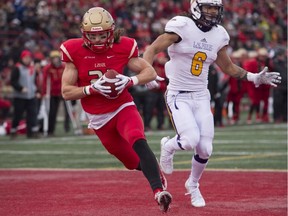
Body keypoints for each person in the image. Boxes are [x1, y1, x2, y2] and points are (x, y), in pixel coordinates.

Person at [143, 0, 281, 208]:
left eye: (215, 8)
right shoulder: (181, 26)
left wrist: (254, 78)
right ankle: (168, 145)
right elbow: (152, 49)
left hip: (200, 96)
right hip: (179, 94)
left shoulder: (219, 34)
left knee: (205, 148)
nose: (212, 12)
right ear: (196, 7)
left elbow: (228, 66)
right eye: (208, 7)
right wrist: (148, 72)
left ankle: (193, 184)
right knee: (189, 140)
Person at [60, 7, 172, 213]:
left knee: (137, 138)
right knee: (131, 162)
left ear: (111, 31)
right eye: (93, 36)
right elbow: (66, 92)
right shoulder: (73, 50)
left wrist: (131, 80)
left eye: (103, 34)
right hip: (98, 118)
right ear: (85, 35)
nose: (99, 40)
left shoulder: (124, 46)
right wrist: (90, 88)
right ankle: (152, 166)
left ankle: (158, 191)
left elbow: (149, 71)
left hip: (122, 107)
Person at [10, 50, 41, 139]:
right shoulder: (17, 68)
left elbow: (34, 81)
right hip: (20, 96)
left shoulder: (32, 68)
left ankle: (32, 131)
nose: (27, 60)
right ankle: (13, 130)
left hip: (31, 95)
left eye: (29, 58)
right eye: (26, 58)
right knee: (18, 114)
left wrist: (37, 91)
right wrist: (20, 88)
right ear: (22, 58)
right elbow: (13, 81)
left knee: (32, 114)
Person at [42, 50, 70, 136]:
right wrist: (44, 93)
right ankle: (51, 130)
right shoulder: (48, 68)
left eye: (57, 58)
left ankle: (67, 126)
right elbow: (45, 81)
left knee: (68, 110)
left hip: (63, 91)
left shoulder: (64, 67)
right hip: (52, 93)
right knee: (52, 112)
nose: (55, 60)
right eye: (54, 58)